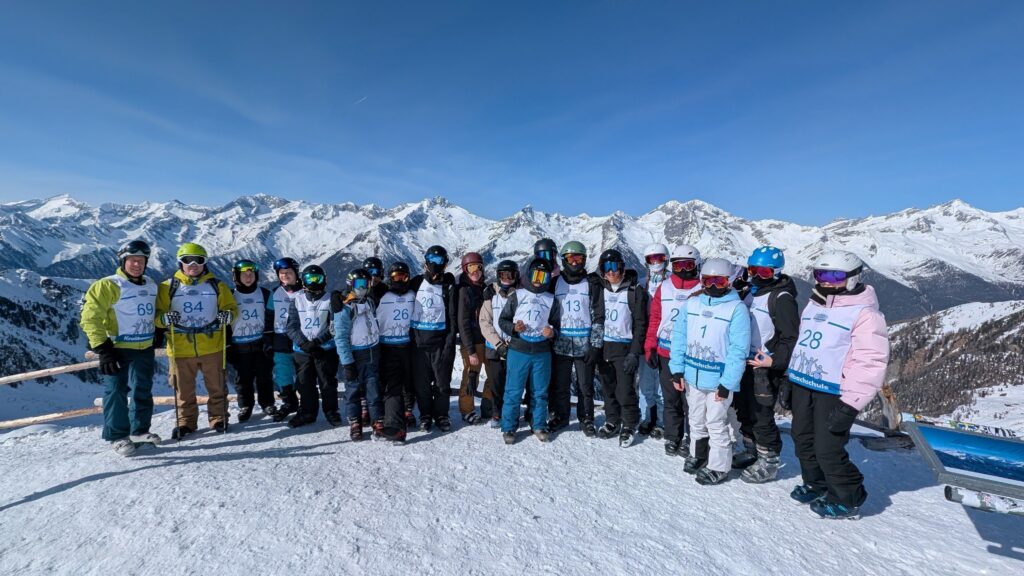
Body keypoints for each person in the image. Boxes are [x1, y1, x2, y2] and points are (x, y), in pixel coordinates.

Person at [787, 250, 889, 519]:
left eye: (835, 276)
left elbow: (871, 361)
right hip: (804, 384)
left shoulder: (865, 314)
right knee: (802, 438)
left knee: (827, 447)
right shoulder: (815, 304)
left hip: (833, 392)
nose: (826, 281)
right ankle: (816, 482)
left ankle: (847, 496)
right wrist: (790, 378)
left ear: (854, 278)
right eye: (820, 275)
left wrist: (851, 404)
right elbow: (803, 344)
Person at [668, 257, 751, 485]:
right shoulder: (692, 305)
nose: (713, 286)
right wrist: (677, 369)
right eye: (708, 281)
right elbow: (679, 338)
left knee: (716, 423)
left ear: (729, 282)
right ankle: (698, 454)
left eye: (720, 281)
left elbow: (738, 350)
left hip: (718, 380)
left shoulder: (736, 309)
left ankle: (718, 467)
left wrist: (728, 383)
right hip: (693, 375)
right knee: (695, 418)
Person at [80, 239, 163, 456]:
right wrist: (103, 349)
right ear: (123, 261)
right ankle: (117, 436)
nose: (137, 264)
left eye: (141, 260)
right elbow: (90, 318)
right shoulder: (108, 285)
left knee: (142, 390)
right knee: (115, 391)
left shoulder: (151, 284)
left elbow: (152, 312)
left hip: (144, 346)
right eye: (132, 260)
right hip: (117, 348)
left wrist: (158, 331)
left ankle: (139, 431)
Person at [156, 242, 238, 439]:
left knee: (217, 386)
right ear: (180, 263)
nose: (193, 264)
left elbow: (231, 308)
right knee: (183, 390)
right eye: (187, 260)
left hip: (212, 345)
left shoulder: (217, 286)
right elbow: (157, 315)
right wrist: (163, 319)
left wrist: (228, 315)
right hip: (180, 347)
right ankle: (186, 422)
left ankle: (218, 418)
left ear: (205, 263)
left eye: (198, 260)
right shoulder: (168, 287)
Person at [735, 247, 799, 483]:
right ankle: (751, 450)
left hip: (764, 367)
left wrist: (775, 361)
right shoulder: (751, 292)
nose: (757, 276)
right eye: (753, 270)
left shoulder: (782, 299)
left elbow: (791, 338)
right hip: (744, 361)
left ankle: (769, 460)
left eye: (764, 272)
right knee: (743, 409)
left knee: (761, 414)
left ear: (776, 272)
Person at [643, 244, 703, 457]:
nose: (683, 270)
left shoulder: (703, 289)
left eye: (688, 265)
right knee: (671, 399)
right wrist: (650, 345)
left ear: (696, 265)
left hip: (692, 355)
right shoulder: (665, 287)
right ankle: (672, 436)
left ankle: (691, 438)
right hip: (666, 352)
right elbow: (656, 318)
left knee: (692, 402)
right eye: (678, 266)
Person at [498, 258, 561, 444]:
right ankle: (509, 427)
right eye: (535, 274)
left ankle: (539, 424)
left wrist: (552, 333)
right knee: (513, 390)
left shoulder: (551, 299)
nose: (538, 279)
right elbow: (503, 321)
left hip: (542, 352)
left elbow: (557, 327)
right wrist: (513, 328)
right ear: (527, 274)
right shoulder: (517, 295)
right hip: (519, 350)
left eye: (543, 276)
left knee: (540, 391)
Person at [549, 240, 604, 436]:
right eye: (570, 258)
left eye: (578, 257)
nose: (574, 262)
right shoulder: (555, 283)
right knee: (561, 384)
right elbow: (548, 312)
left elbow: (599, 315)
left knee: (585, 385)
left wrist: (595, 345)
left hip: (584, 344)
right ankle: (562, 417)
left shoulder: (591, 283)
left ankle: (586, 418)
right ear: (563, 260)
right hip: (561, 343)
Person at [594, 249, 648, 447]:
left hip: (624, 347)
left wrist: (634, 352)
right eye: (606, 267)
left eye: (614, 266)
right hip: (605, 347)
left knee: (625, 390)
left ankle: (629, 423)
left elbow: (641, 324)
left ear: (622, 268)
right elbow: (598, 318)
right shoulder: (601, 289)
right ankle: (613, 419)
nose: (611, 272)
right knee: (608, 388)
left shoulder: (635, 291)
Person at [285, 265, 342, 428]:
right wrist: (304, 343)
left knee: (327, 382)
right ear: (303, 281)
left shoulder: (330, 299)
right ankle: (307, 412)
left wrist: (317, 342)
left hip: (325, 349)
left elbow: (334, 326)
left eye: (318, 279)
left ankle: (331, 411)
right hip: (302, 350)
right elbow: (291, 326)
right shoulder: (297, 299)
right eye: (310, 279)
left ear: (325, 280)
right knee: (304, 382)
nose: (314, 282)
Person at [409, 245, 458, 432]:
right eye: (432, 261)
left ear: (445, 264)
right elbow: (393, 292)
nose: (436, 265)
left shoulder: (448, 286)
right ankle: (425, 414)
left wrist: (449, 342)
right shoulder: (415, 283)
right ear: (425, 262)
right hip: (419, 344)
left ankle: (442, 414)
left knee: (442, 383)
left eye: (440, 261)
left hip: (440, 343)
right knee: (421, 384)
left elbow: (452, 317)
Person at [333, 268, 382, 440]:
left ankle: (377, 421)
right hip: (355, 356)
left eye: (365, 284)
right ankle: (355, 422)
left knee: (373, 389)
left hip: (372, 351)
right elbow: (340, 337)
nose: (362, 287)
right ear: (350, 284)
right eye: (358, 284)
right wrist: (347, 363)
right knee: (353, 390)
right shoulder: (345, 308)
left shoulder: (369, 302)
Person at [228, 259, 277, 422]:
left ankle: (267, 403)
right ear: (236, 276)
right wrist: (228, 346)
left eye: (251, 274)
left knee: (265, 376)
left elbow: (271, 318)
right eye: (244, 275)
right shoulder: (230, 295)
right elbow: (225, 323)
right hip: (239, 345)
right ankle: (245, 405)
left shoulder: (264, 294)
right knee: (243, 379)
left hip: (260, 343)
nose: (248, 277)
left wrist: (269, 340)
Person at [374, 261, 417, 442]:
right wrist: (340, 294)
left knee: (409, 381)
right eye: (395, 277)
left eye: (403, 276)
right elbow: (356, 294)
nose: (400, 280)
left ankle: (407, 411)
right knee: (392, 384)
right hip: (388, 347)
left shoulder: (413, 294)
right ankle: (395, 425)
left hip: (409, 346)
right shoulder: (381, 294)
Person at [638, 243, 670, 439]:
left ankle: (661, 421)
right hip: (646, 338)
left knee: (662, 383)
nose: (655, 262)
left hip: (666, 338)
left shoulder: (673, 283)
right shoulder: (643, 284)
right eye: (651, 259)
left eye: (658, 258)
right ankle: (646, 417)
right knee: (646, 380)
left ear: (666, 259)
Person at [456, 252, 491, 424]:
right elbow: (463, 322)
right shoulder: (464, 290)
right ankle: (467, 409)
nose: (475, 271)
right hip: (473, 342)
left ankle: (488, 406)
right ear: (465, 270)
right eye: (471, 267)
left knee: (493, 374)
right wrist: (470, 350)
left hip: (487, 340)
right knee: (471, 376)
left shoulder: (484, 288)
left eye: (478, 267)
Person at [269, 257, 303, 422]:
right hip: (280, 338)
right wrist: (267, 341)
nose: (285, 276)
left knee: (303, 373)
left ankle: (306, 404)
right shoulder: (275, 292)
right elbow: (269, 316)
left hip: (300, 339)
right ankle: (289, 402)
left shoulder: (304, 291)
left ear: (296, 273)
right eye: (281, 274)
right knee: (282, 373)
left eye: (288, 273)